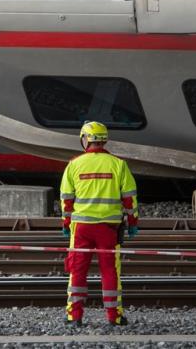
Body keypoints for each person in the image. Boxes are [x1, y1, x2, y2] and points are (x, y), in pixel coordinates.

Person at [60, 121, 138, 327]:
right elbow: (130, 199)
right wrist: (132, 222)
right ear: (104, 139)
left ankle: (74, 316)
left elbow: (66, 200)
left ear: (85, 139)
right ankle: (115, 316)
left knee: (77, 271)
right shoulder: (119, 165)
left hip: (81, 228)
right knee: (110, 271)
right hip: (109, 228)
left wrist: (66, 223)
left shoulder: (74, 165)